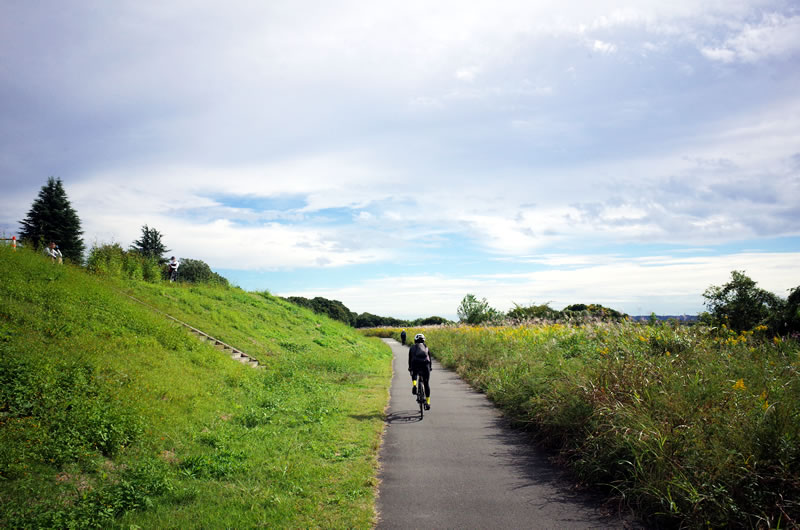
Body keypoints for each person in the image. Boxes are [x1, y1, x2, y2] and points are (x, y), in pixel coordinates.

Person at [408, 333, 432, 410]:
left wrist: (410, 368)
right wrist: (430, 368)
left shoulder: (412, 348)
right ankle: (428, 402)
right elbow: (429, 359)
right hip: (425, 366)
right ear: (423, 340)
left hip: (415, 365)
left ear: (415, 340)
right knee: (426, 384)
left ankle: (414, 385)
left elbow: (410, 359)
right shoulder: (426, 347)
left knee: (414, 372)